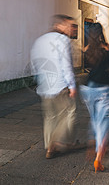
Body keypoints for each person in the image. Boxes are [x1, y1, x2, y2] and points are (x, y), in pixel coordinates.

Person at [30, 14, 77, 159]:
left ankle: (49, 146)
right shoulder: (62, 40)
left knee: (50, 117)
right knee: (69, 113)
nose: (71, 29)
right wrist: (72, 85)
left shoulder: (39, 40)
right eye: (69, 25)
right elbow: (66, 64)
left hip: (45, 87)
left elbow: (34, 63)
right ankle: (55, 143)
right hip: (60, 86)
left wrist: (40, 80)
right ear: (60, 25)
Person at [80, 23, 109, 173]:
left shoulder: (86, 50)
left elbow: (89, 68)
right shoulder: (107, 49)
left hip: (88, 88)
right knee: (103, 123)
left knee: (94, 119)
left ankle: (93, 144)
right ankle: (98, 159)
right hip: (103, 88)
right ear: (101, 33)